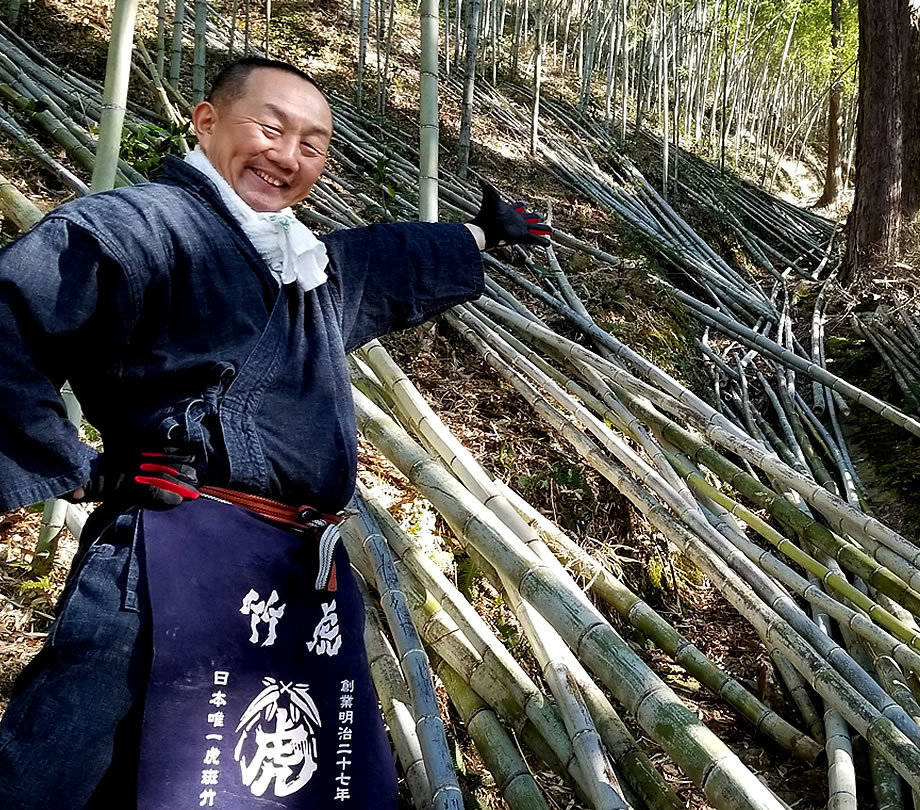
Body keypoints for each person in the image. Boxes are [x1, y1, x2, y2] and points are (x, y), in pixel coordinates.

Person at [0, 57, 550, 809]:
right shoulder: (133, 226)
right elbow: (8, 328)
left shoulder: (307, 265)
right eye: (271, 127)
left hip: (290, 577)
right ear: (206, 120)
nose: (288, 157)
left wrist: (481, 233)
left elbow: (388, 258)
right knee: (66, 765)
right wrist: (84, 469)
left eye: (313, 144)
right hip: (166, 555)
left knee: (256, 780)